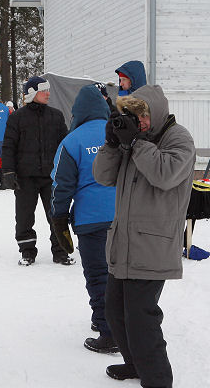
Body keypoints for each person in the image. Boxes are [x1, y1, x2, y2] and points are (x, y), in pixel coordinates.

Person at [93, 85, 195, 387]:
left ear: (154, 112)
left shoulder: (179, 138)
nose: (140, 121)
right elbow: (102, 176)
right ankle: (134, 364)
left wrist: (136, 142)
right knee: (115, 312)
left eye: (142, 115)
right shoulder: (134, 141)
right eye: (133, 115)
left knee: (142, 320)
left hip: (152, 245)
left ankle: (158, 380)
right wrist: (112, 145)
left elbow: (165, 174)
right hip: (124, 243)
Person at [50, 84, 117, 353]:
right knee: (122, 274)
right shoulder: (119, 134)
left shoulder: (72, 141)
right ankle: (123, 325)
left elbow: (62, 186)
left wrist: (59, 219)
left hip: (90, 220)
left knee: (99, 275)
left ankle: (108, 332)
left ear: (77, 112)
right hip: (124, 216)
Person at [1, 76, 75, 266]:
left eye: (48, 90)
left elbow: (64, 146)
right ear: (33, 93)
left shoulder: (56, 116)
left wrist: (68, 170)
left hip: (51, 177)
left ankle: (60, 251)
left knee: (56, 215)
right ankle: (27, 251)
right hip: (25, 178)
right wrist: (8, 171)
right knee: (24, 216)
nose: (48, 93)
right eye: (44, 91)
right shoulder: (17, 118)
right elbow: (9, 146)